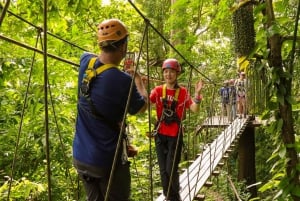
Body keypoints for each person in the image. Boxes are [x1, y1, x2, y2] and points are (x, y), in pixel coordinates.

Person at [72, 19, 148, 201]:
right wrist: (139, 83)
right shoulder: (123, 81)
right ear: (123, 47)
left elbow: (91, 56)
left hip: (81, 157)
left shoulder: (85, 61)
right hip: (107, 162)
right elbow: (142, 107)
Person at [149, 58, 204, 201]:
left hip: (175, 135)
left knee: (170, 169)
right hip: (160, 134)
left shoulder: (183, 92)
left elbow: (194, 109)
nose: (168, 75)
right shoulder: (158, 90)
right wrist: (138, 84)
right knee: (163, 170)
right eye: (166, 72)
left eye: (171, 72)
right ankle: (170, 196)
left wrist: (197, 94)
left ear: (177, 74)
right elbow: (145, 104)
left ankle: (174, 197)